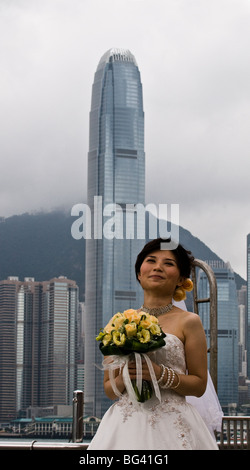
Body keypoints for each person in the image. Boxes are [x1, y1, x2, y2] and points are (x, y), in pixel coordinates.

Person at [88, 238, 220, 450]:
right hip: (125, 424)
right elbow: (110, 390)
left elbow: (198, 385)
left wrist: (158, 374)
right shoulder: (119, 323)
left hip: (174, 423)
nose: (158, 267)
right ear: (139, 273)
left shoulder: (189, 322)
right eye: (151, 260)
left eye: (168, 263)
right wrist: (127, 375)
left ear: (181, 279)